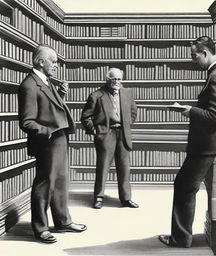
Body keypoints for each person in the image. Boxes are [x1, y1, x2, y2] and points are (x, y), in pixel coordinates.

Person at [159, 36, 216, 248]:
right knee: (198, 188)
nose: (193, 60)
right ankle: (189, 236)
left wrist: (188, 109)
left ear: (206, 53)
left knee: (183, 186)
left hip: (206, 146)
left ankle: (180, 239)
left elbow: (214, 116)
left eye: (195, 56)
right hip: (213, 143)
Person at [18, 45, 86, 244]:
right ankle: (40, 228)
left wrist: (61, 96)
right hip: (47, 141)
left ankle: (63, 221)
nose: (56, 65)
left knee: (61, 182)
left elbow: (50, 110)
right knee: (45, 184)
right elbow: (27, 121)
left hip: (60, 138)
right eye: (53, 61)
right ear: (41, 62)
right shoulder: (29, 85)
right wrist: (48, 132)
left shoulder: (46, 81)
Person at [81, 67, 139, 209]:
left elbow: (133, 112)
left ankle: (126, 199)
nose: (117, 82)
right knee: (103, 167)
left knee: (124, 167)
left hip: (123, 134)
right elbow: (86, 116)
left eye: (119, 79)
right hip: (106, 134)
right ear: (108, 79)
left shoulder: (127, 93)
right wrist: (95, 131)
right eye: (114, 79)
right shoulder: (96, 95)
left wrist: (126, 123)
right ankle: (99, 197)